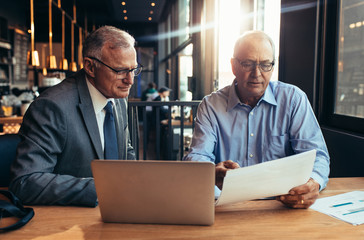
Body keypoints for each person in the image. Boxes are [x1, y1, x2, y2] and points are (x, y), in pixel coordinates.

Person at [183, 30, 330, 209]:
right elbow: (197, 155)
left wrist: (313, 182)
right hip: (228, 206)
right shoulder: (211, 105)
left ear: (272, 67)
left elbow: (317, 155)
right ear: (233, 66)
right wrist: (210, 173)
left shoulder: (293, 99)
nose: (257, 73)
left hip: (282, 207)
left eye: (265, 64)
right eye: (248, 64)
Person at [9, 26, 140, 207]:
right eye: (119, 71)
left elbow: (125, 151)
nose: (130, 80)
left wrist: (140, 182)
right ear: (90, 67)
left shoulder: (117, 99)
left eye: (133, 69)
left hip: (118, 208)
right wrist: (104, 188)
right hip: (69, 221)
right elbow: (25, 182)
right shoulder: (52, 107)